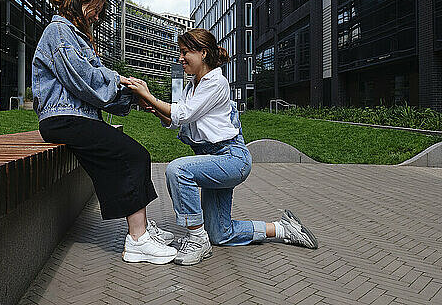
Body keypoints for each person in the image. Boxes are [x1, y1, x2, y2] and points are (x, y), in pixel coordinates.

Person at [126, 28, 318, 266]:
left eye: (186, 52)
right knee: (220, 233)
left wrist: (149, 94)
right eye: (180, 53)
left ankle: (197, 239)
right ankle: (282, 229)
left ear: (203, 53)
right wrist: (155, 110)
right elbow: (178, 120)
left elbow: (183, 114)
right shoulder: (192, 86)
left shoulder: (216, 81)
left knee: (177, 170)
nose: (180, 58)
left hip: (231, 158)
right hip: (212, 159)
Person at [32, 0, 176, 264]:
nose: (97, 17)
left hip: (75, 117)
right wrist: (121, 80)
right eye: (95, 11)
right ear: (79, 4)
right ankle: (137, 240)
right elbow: (84, 78)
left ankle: (142, 230)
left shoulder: (74, 36)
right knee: (132, 154)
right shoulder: (58, 31)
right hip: (62, 118)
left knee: (133, 155)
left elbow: (93, 87)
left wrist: (134, 99)